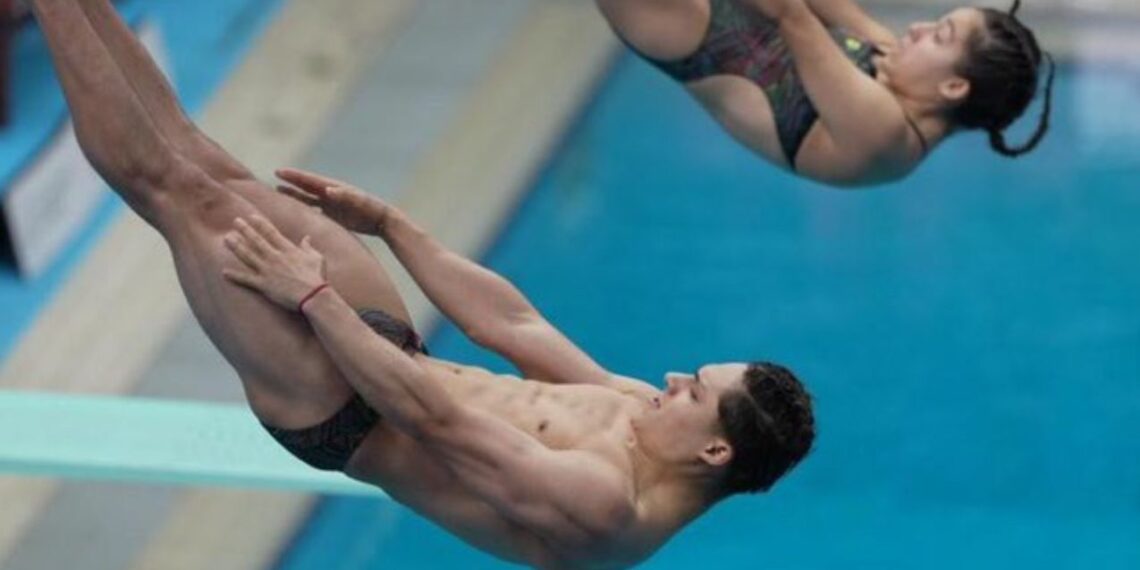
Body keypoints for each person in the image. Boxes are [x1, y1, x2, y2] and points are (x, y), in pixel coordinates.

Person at [28, 0, 814, 567]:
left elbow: (430, 419)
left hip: (339, 409)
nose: (674, 378)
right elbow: (516, 327)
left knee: (170, 190)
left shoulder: (606, 511)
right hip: (383, 348)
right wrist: (396, 228)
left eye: (694, 391)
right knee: (208, 164)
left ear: (714, 450)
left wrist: (312, 296)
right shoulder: (641, 412)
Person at [596, 0, 1055, 186]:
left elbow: (791, 15)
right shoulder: (898, 67)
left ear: (953, 87)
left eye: (940, 36)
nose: (919, 28)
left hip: (685, 30)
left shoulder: (885, 135)